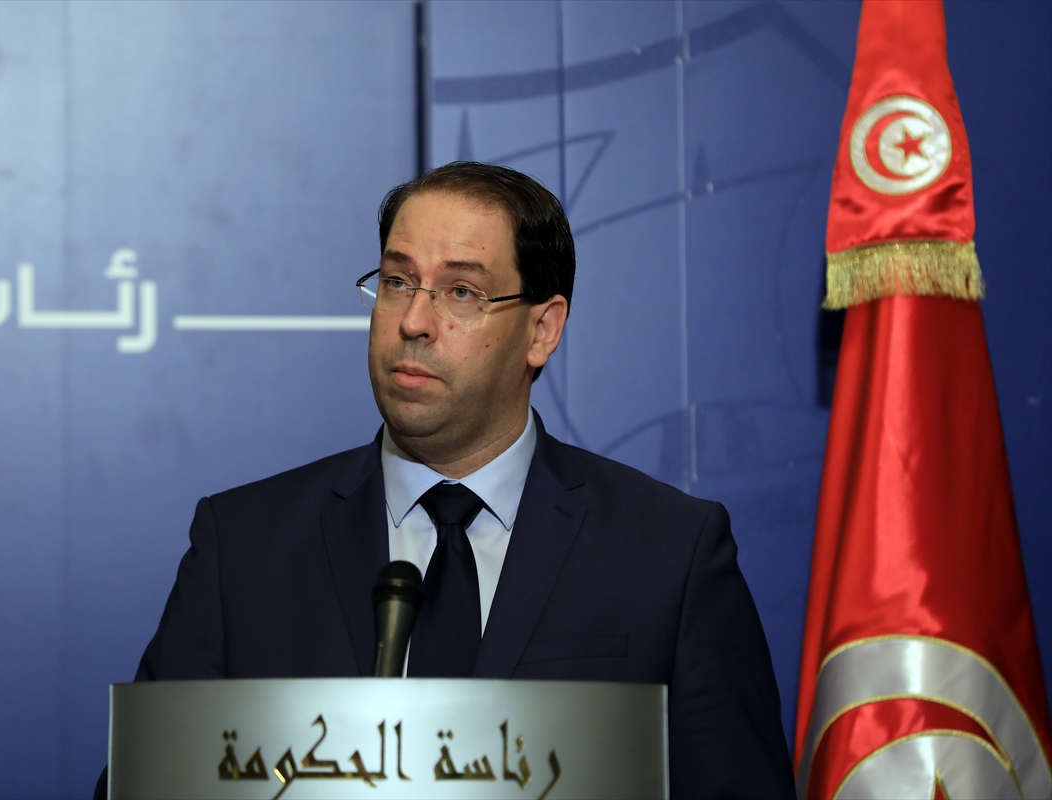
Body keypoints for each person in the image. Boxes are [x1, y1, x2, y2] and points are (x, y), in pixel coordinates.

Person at [106, 162, 795, 798]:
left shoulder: (669, 553)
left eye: (461, 292)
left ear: (542, 330)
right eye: (397, 282)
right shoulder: (243, 547)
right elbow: (147, 783)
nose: (412, 321)